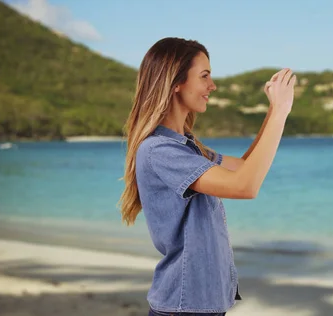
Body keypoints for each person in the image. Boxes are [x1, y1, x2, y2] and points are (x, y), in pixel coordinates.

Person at [117, 37, 297, 316]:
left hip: (201, 304)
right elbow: (245, 186)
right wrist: (281, 114)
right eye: (204, 76)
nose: (212, 86)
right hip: (183, 306)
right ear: (175, 83)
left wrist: (274, 109)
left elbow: (244, 166)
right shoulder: (159, 150)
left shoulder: (188, 148)